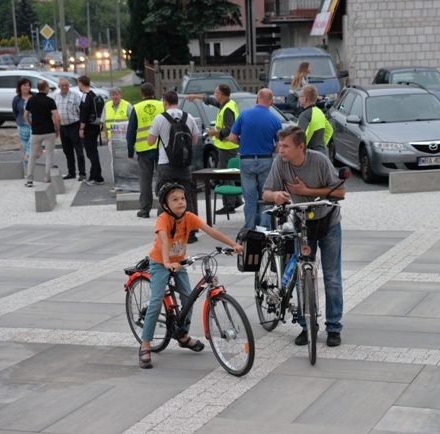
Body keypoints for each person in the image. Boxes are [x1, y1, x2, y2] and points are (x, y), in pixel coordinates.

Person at [138, 182, 244, 369]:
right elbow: (163, 240)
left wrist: (232, 244)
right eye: (175, 200)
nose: (181, 202)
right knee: (156, 301)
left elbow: (211, 231)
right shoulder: (163, 219)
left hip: (179, 262)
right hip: (160, 262)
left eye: (182, 198)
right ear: (165, 205)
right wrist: (167, 262)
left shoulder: (189, 217)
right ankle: (145, 343)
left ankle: (182, 336)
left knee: (188, 298)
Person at [262, 125, 345, 347]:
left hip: (328, 222)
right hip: (302, 222)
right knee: (302, 274)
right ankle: (307, 326)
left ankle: (334, 327)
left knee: (332, 277)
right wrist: (276, 195)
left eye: (286, 146)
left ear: (301, 147)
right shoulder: (280, 163)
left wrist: (307, 192)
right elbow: (266, 192)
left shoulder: (319, 161)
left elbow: (340, 191)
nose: (281, 150)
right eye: (280, 146)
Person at [147, 91, 200, 243]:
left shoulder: (159, 118)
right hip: (184, 165)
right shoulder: (188, 117)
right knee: (186, 198)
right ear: (177, 101)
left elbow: (151, 142)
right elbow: (195, 140)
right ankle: (190, 234)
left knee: (165, 198)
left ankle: (166, 232)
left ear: (164, 102)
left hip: (166, 165)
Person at [228, 88, 282, 230]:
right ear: (271, 102)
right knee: (266, 196)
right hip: (266, 160)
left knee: (250, 197)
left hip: (246, 160)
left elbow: (232, 138)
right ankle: (264, 228)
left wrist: (244, 143)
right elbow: (279, 146)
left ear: (257, 100)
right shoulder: (275, 120)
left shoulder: (244, 115)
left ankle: (250, 228)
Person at [187, 84, 243, 215]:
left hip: (227, 147)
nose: (214, 95)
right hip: (228, 147)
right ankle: (236, 201)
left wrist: (215, 133)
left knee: (225, 175)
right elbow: (210, 100)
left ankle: (229, 205)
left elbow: (230, 129)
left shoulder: (227, 109)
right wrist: (196, 97)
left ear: (221, 95)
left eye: (216, 93)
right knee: (227, 174)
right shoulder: (227, 103)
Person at [127, 83, 163, 218]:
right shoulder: (161, 105)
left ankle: (145, 209)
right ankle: (163, 208)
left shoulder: (137, 108)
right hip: (161, 148)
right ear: (154, 92)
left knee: (145, 180)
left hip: (144, 150)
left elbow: (131, 131)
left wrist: (130, 150)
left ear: (142, 94)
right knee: (162, 178)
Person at [23, 80, 60, 188]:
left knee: (32, 156)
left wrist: (31, 125)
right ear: (45, 88)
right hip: (49, 131)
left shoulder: (31, 100)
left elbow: (25, 115)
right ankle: (47, 178)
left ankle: (30, 180)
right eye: (48, 87)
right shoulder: (50, 101)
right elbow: (57, 117)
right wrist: (57, 128)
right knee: (49, 155)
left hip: (36, 132)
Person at [54, 78, 86, 181]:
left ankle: (82, 173)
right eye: (62, 85)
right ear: (59, 86)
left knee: (79, 151)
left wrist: (81, 127)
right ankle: (71, 172)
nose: (64, 87)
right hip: (63, 127)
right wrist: (56, 128)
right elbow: (55, 114)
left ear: (69, 86)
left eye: (66, 85)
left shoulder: (75, 96)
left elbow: (81, 112)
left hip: (74, 126)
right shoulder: (56, 97)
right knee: (67, 151)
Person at [78, 75, 104, 186]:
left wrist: (81, 128)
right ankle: (94, 175)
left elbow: (84, 113)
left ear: (81, 83)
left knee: (91, 153)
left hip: (88, 127)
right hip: (95, 126)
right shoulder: (93, 95)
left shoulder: (85, 96)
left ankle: (97, 177)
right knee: (94, 151)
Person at [296, 84, 333, 155]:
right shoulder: (320, 112)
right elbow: (329, 130)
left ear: (305, 98)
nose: (299, 99)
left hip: (309, 155)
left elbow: (299, 136)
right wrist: (322, 144)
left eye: (300, 96)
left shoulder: (305, 115)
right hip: (322, 153)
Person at [12, 78, 35, 174]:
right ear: (20, 87)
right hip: (22, 126)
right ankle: (28, 171)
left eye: (28, 85)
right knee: (27, 149)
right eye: (24, 85)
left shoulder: (35, 96)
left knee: (31, 148)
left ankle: (29, 171)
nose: (26, 87)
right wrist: (20, 121)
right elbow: (15, 112)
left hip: (34, 125)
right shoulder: (17, 99)